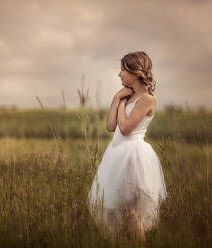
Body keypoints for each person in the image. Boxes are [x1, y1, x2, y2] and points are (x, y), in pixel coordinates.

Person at [87, 51, 167, 241]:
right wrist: (117, 98)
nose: (119, 74)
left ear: (135, 72)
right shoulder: (124, 96)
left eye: (123, 70)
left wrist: (121, 105)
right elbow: (110, 126)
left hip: (133, 156)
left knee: (131, 212)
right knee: (115, 210)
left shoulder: (147, 99)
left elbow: (125, 128)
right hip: (116, 154)